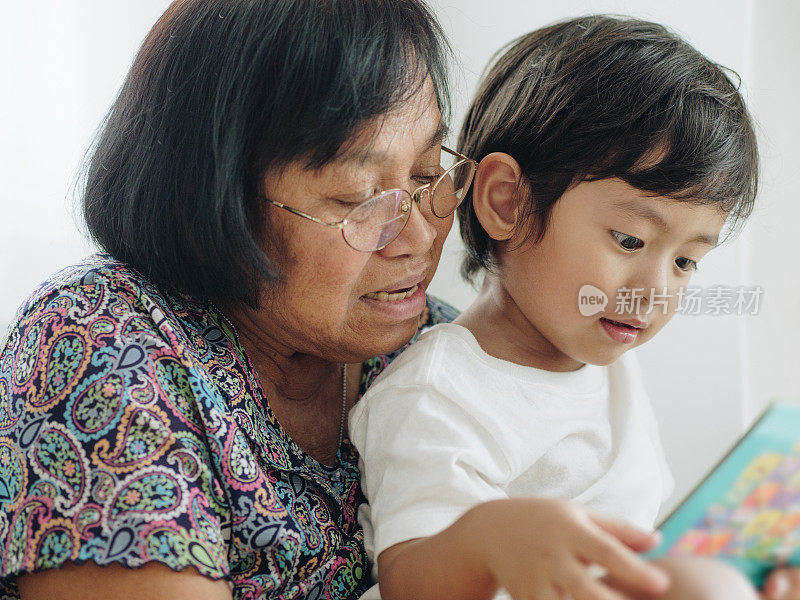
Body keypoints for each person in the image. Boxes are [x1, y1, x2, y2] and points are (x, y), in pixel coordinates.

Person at [0, 1, 468, 598]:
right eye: (356, 198)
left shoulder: (438, 350)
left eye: (429, 172)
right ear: (217, 196)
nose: (421, 235)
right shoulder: (101, 342)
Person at [349, 15, 785, 600]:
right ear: (508, 201)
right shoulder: (440, 391)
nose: (654, 290)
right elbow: (410, 579)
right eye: (629, 240)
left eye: (686, 262)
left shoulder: (608, 371)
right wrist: (488, 541)